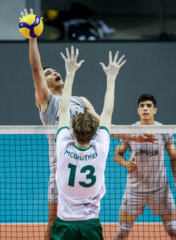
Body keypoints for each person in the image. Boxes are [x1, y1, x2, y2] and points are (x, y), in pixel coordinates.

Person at [20, 8, 156, 239]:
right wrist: (33, 38)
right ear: (42, 84)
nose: (53, 73)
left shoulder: (81, 101)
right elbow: (35, 67)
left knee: (88, 223)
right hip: (59, 173)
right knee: (53, 227)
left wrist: (134, 137)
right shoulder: (47, 102)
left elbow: (103, 126)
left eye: (54, 71)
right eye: (48, 73)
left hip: (86, 165)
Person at [50, 46, 126, 239]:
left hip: (64, 224)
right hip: (90, 225)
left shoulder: (62, 145)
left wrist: (70, 72)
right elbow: (107, 112)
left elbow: (64, 107)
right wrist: (111, 77)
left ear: (71, 131)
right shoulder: (101, 147)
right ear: (94, 133)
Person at [113, 94, 176, 240]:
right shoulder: (130, 130)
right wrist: (126, 163)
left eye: (149, 106)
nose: (145, 108)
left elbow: (174, 157)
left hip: (160, 190)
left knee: (173, 229)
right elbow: (117, 155)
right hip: (134, 190)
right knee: (121, 232)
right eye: (142, 106)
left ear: (155, 110)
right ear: (138, 110)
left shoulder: (163, 130)